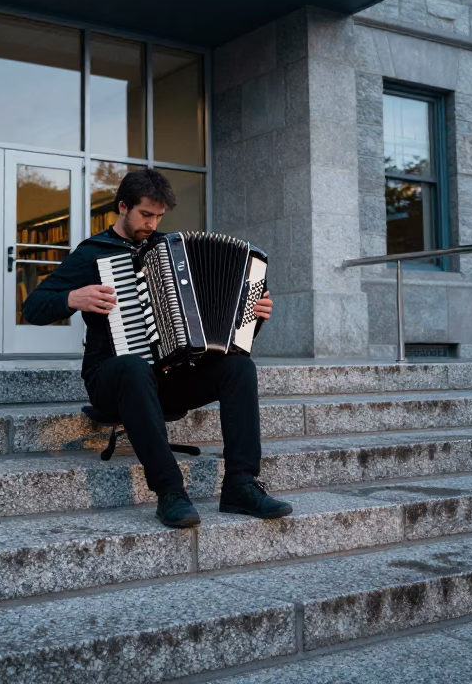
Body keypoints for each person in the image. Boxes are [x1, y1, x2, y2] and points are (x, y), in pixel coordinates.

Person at [21, 168, 293, 529]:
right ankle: (170, 493)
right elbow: (34, 308)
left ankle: (241, 486)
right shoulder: (91, 254)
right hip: (112, 379)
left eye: (158, 216)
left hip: (168, 381)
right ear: (122, 207)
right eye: (145, 215)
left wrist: (254, 315)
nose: (152, 223)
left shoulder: (171, 251)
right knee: (133, 366)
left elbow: (226, 331)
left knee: (239, 368)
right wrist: (73, 297)